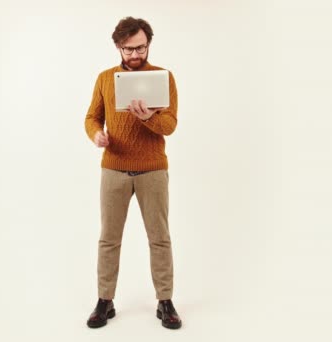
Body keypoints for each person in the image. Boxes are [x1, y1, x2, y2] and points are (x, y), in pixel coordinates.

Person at [84, 16, 182, 330]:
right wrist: (96, 135)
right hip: (113, 168)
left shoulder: (163, 78)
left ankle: (165, 300)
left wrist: (149, 118)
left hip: (152, 170)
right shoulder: (104, 78)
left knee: (160, 239)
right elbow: (91, 117)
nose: (135, 54)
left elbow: (170, 126)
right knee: (109, 239)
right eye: (128, 49)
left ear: (148, 44)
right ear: (118, 47)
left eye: (140, 47)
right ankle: (105, 300)